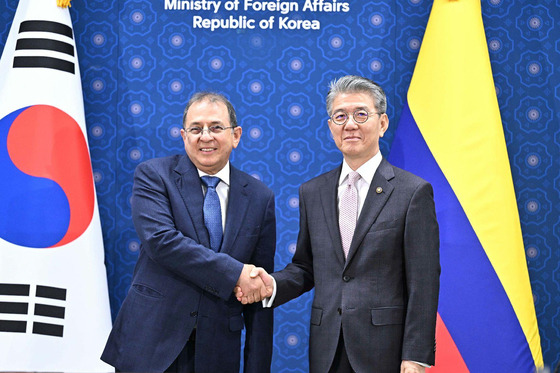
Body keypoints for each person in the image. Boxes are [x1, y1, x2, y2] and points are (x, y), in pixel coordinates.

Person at [236, 75, 440, 373]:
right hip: (327, 347)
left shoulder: (413, 192)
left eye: (361, 114)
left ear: (382, 123)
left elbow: (423, 281)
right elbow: (306, 267)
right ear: (331, 126)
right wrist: (270, 286)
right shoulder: (312, 191)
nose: (350, 124)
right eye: (340, 116)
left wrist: (416, 355)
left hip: (387, 350)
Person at [101, 92, 276, 373]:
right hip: (152, 343)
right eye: (196, 129)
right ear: (184, 136)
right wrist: (235, 273)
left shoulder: (260, 197)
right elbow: (162, 242)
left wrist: (257, 368)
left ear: (236, 135)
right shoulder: (155, 175)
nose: (205, 136)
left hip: (218, 350)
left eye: (216, 127)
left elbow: (258, 287)